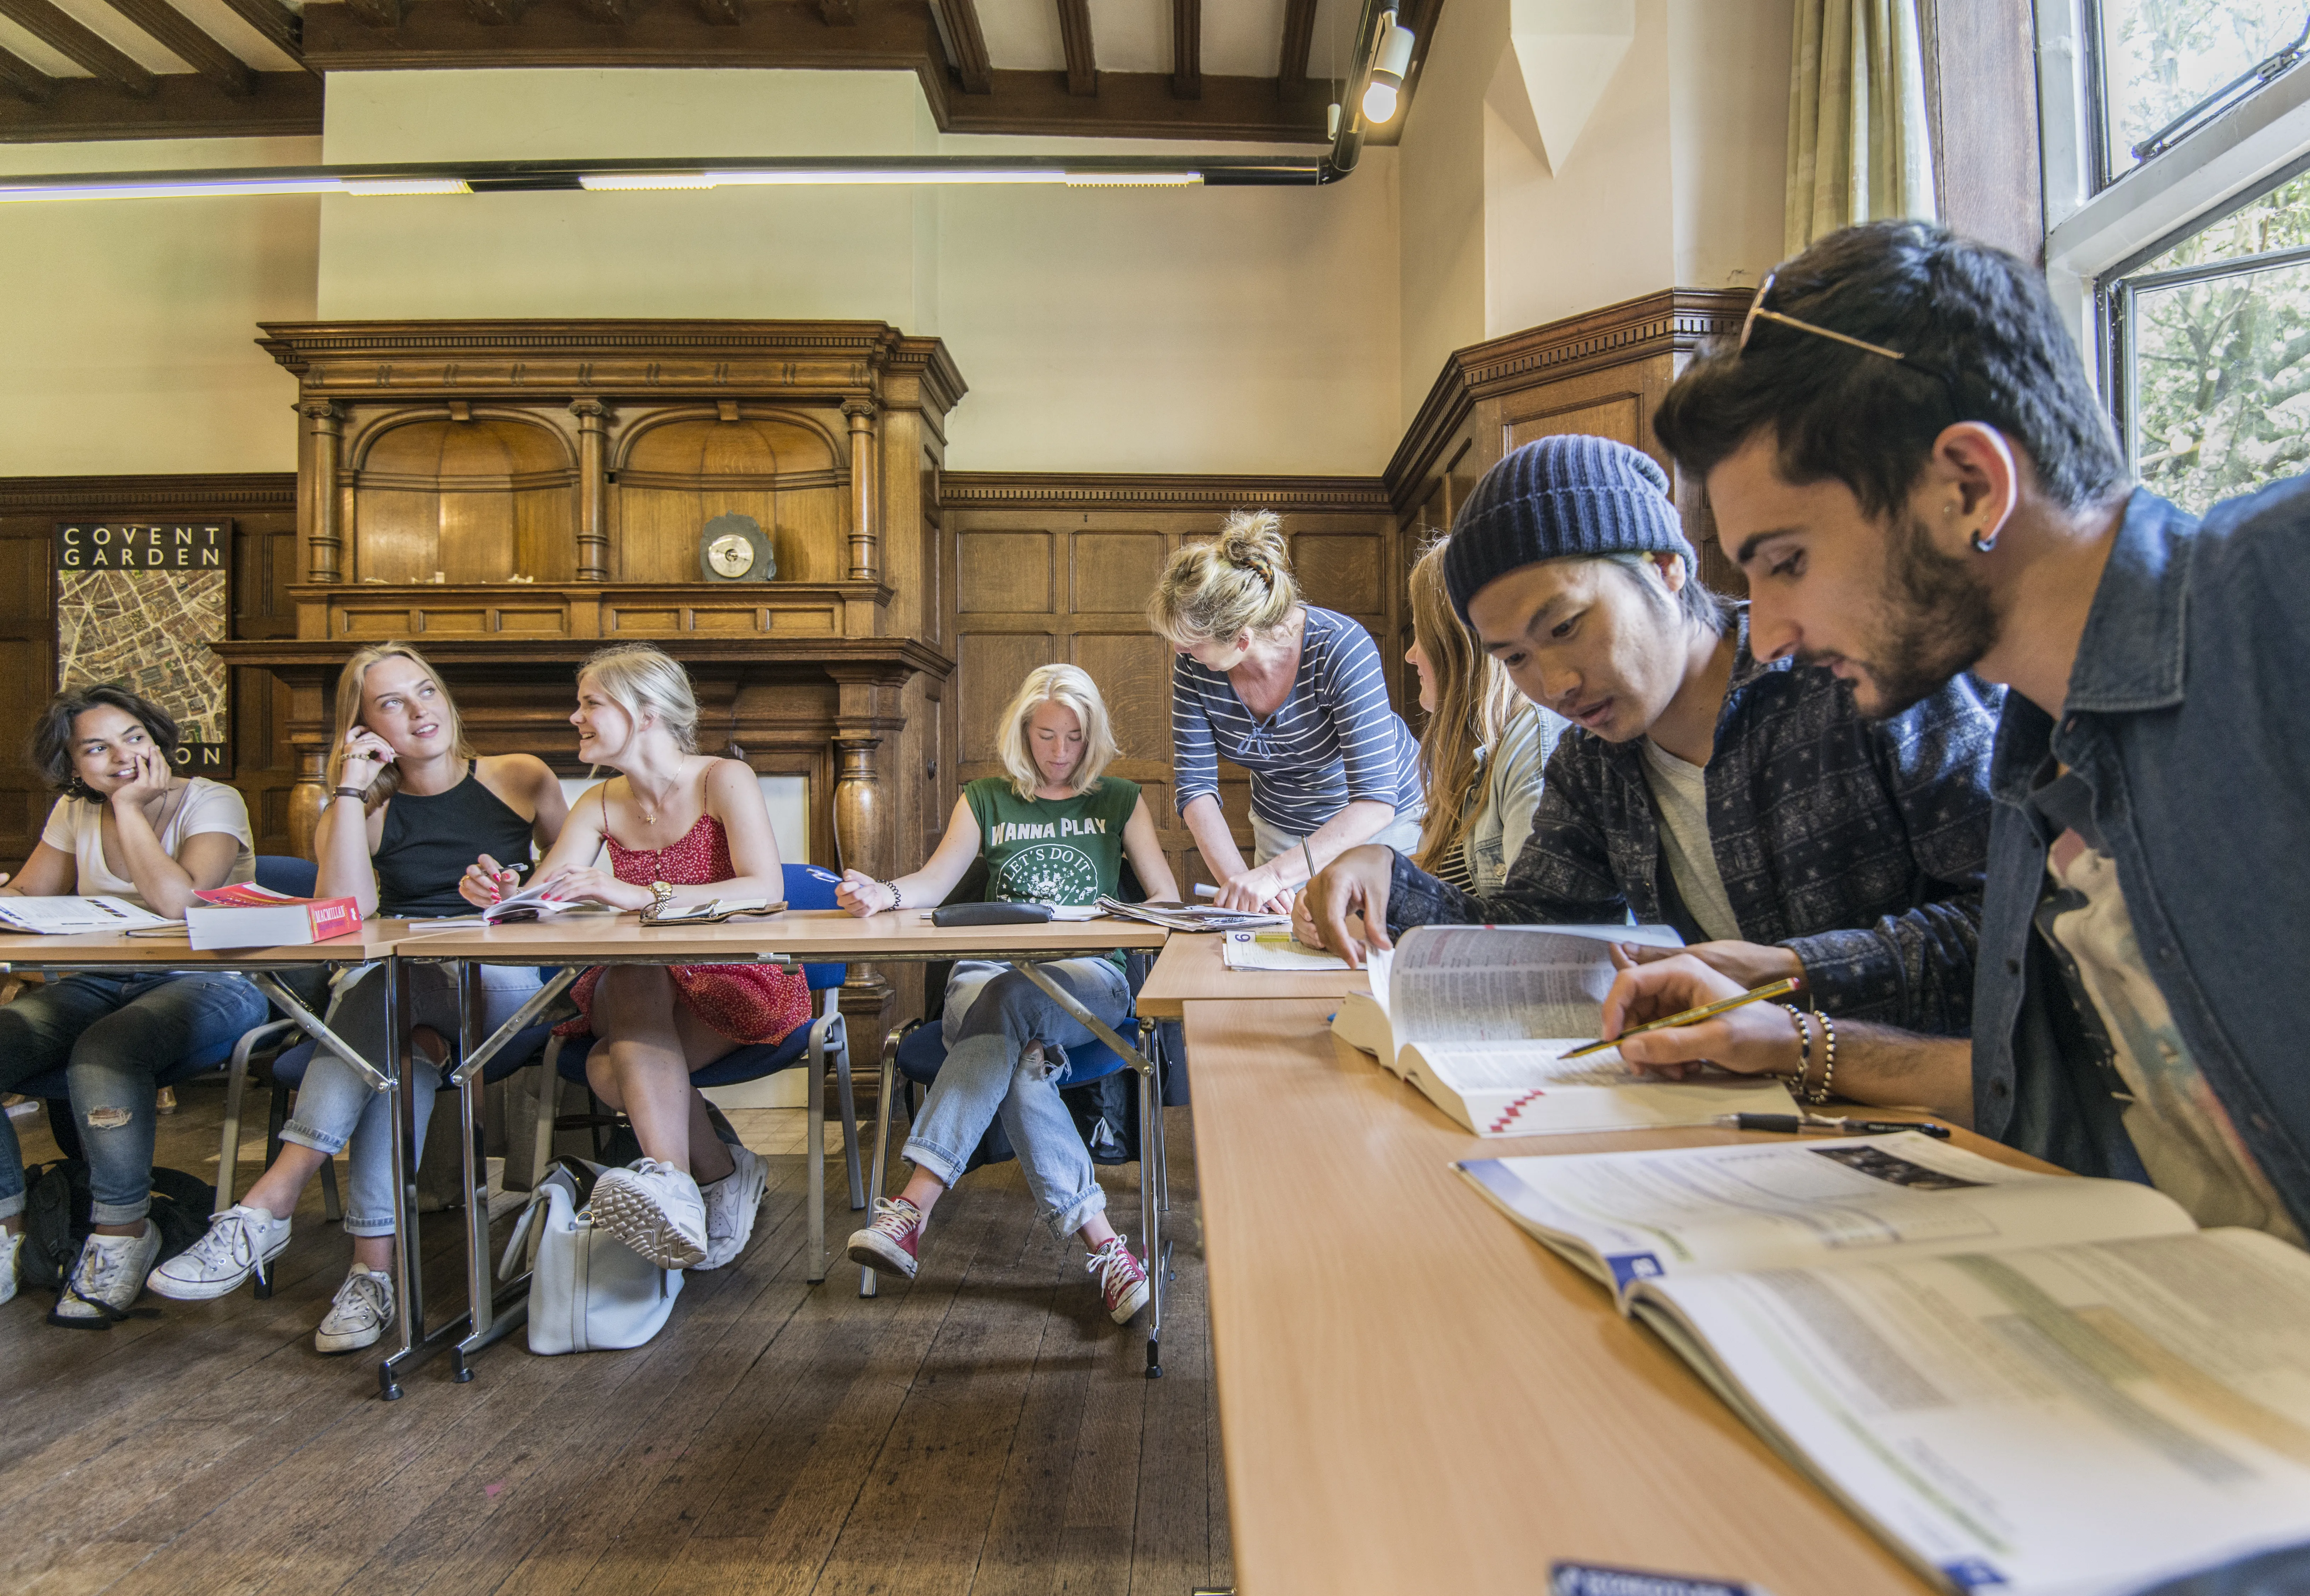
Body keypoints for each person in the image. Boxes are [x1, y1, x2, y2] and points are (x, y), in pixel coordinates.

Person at [1602, 218, 2310, 1245]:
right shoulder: (2035, 769)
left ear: (1967, 486)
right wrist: (1789, 1042)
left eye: (1785, 561)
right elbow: (2046, 1098)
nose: (1774, 632)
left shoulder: (2274, 591)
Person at [1302, 434, 2003, 1037]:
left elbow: (2016, 928)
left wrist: (1794, 973)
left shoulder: (1852, 666)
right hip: (1754, 1112)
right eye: (1514, 657)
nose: (1554, 684)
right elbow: (1540, 934)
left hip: (1955, 1120)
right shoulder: (1593, 762)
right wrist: (1390, 879)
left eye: (1567, 626)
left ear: (1665, 566)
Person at [148, 643, 567, 1352]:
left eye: (426, 691)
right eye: (392, 704)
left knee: (395, 990)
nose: (420, 711)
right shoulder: (362, 807)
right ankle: (372, 1276)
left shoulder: (521, 776)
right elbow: (343, 911)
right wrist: (348, 789)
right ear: (363, 727)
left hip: (505, 991)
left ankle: (272, 1200)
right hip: (407, 1006)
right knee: (403, 1057)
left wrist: (517, 895)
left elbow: (577, 882)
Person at [838, 663, 1176, 1326]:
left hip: (1087, 980)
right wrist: (886, 893)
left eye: (1073, 738)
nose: (1058, 752)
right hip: (983, 976)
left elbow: (1164, 898)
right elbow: (932, 885)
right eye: (1046, 735)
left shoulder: (1117, 799)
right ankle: (1107, 1250)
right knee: (1017, 1044)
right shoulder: (986, 797)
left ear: (1092, 738)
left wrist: (1114, 918)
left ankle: (910, 1209)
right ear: (1023, 732)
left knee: (1014, 1001)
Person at [460, 642, 809, 1272]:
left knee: (604, 1070)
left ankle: (705, 1173)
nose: (575, 717)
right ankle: (690, 1178)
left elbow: (765, 889)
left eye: (591, 702)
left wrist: (636, 894)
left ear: (646, 712)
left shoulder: (721, 779)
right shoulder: (598, 802)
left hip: (739, 978)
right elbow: (542, 898)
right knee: (630, 977)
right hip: (645, 989)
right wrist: (504, 894)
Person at [0, 683, 264, 1323]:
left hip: (215, 984)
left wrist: (128, 808)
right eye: (97, 748)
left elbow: (181, 903)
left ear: (157, 738)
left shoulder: (210, 800)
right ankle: (11, 1227)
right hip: (98, 981)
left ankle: (122, 1234)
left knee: (107, 1050)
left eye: (134, 737)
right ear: (71, 767)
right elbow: (28, 895)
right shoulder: (72, 811)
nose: (123, 756)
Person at [1146, 509, 1423, 912]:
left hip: (1379, 823)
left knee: (1373, 945)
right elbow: (1196, 790)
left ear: (1241, 640)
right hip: (1282, 824)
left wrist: (1274, 875)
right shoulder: (1195, 665)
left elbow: (1376, 801)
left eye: (1191, 642)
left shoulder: (1339, 647)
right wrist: (1244, 888)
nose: (1180, 651)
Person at [1400, 535, 1563, 896]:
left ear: (1458, 644)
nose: (1411, 655)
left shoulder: (1534, 739)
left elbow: (1538, 929)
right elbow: (1442, 881)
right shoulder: (1466, 757)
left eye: (1420, 633)